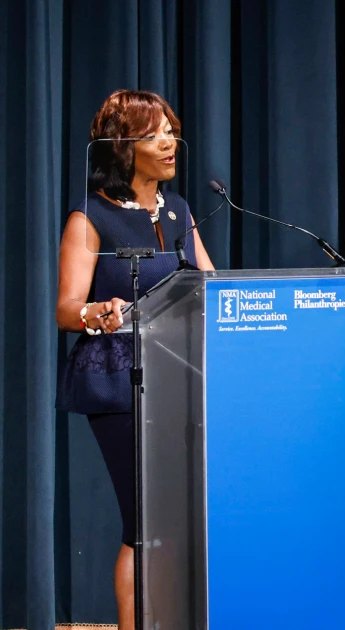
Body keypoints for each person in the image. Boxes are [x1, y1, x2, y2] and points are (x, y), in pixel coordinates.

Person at [55, 89, 215, 630]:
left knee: (180, 518)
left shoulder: (180, 210)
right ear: (123, 147)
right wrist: (96, 310)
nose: (171, 141)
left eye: (171, 128)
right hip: (120, 378)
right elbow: (65, 308)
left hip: (182, 375)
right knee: (144, 521)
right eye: (155, 133)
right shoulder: (90, 214)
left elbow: (209, 286)